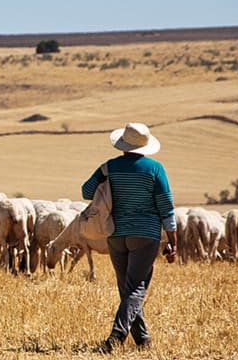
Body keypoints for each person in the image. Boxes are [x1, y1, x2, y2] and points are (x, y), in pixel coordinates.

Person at [81, 122, 177, 353]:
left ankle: (142, 339)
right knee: (135, 288)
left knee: (127, 288)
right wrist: (174, 240)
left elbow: (86, 192)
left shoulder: (109, 167)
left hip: (115, 233)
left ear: (122, 144)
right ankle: (116, 336)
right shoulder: (154, 169)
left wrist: (105, 176)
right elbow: (166, 206)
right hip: (145, 235)